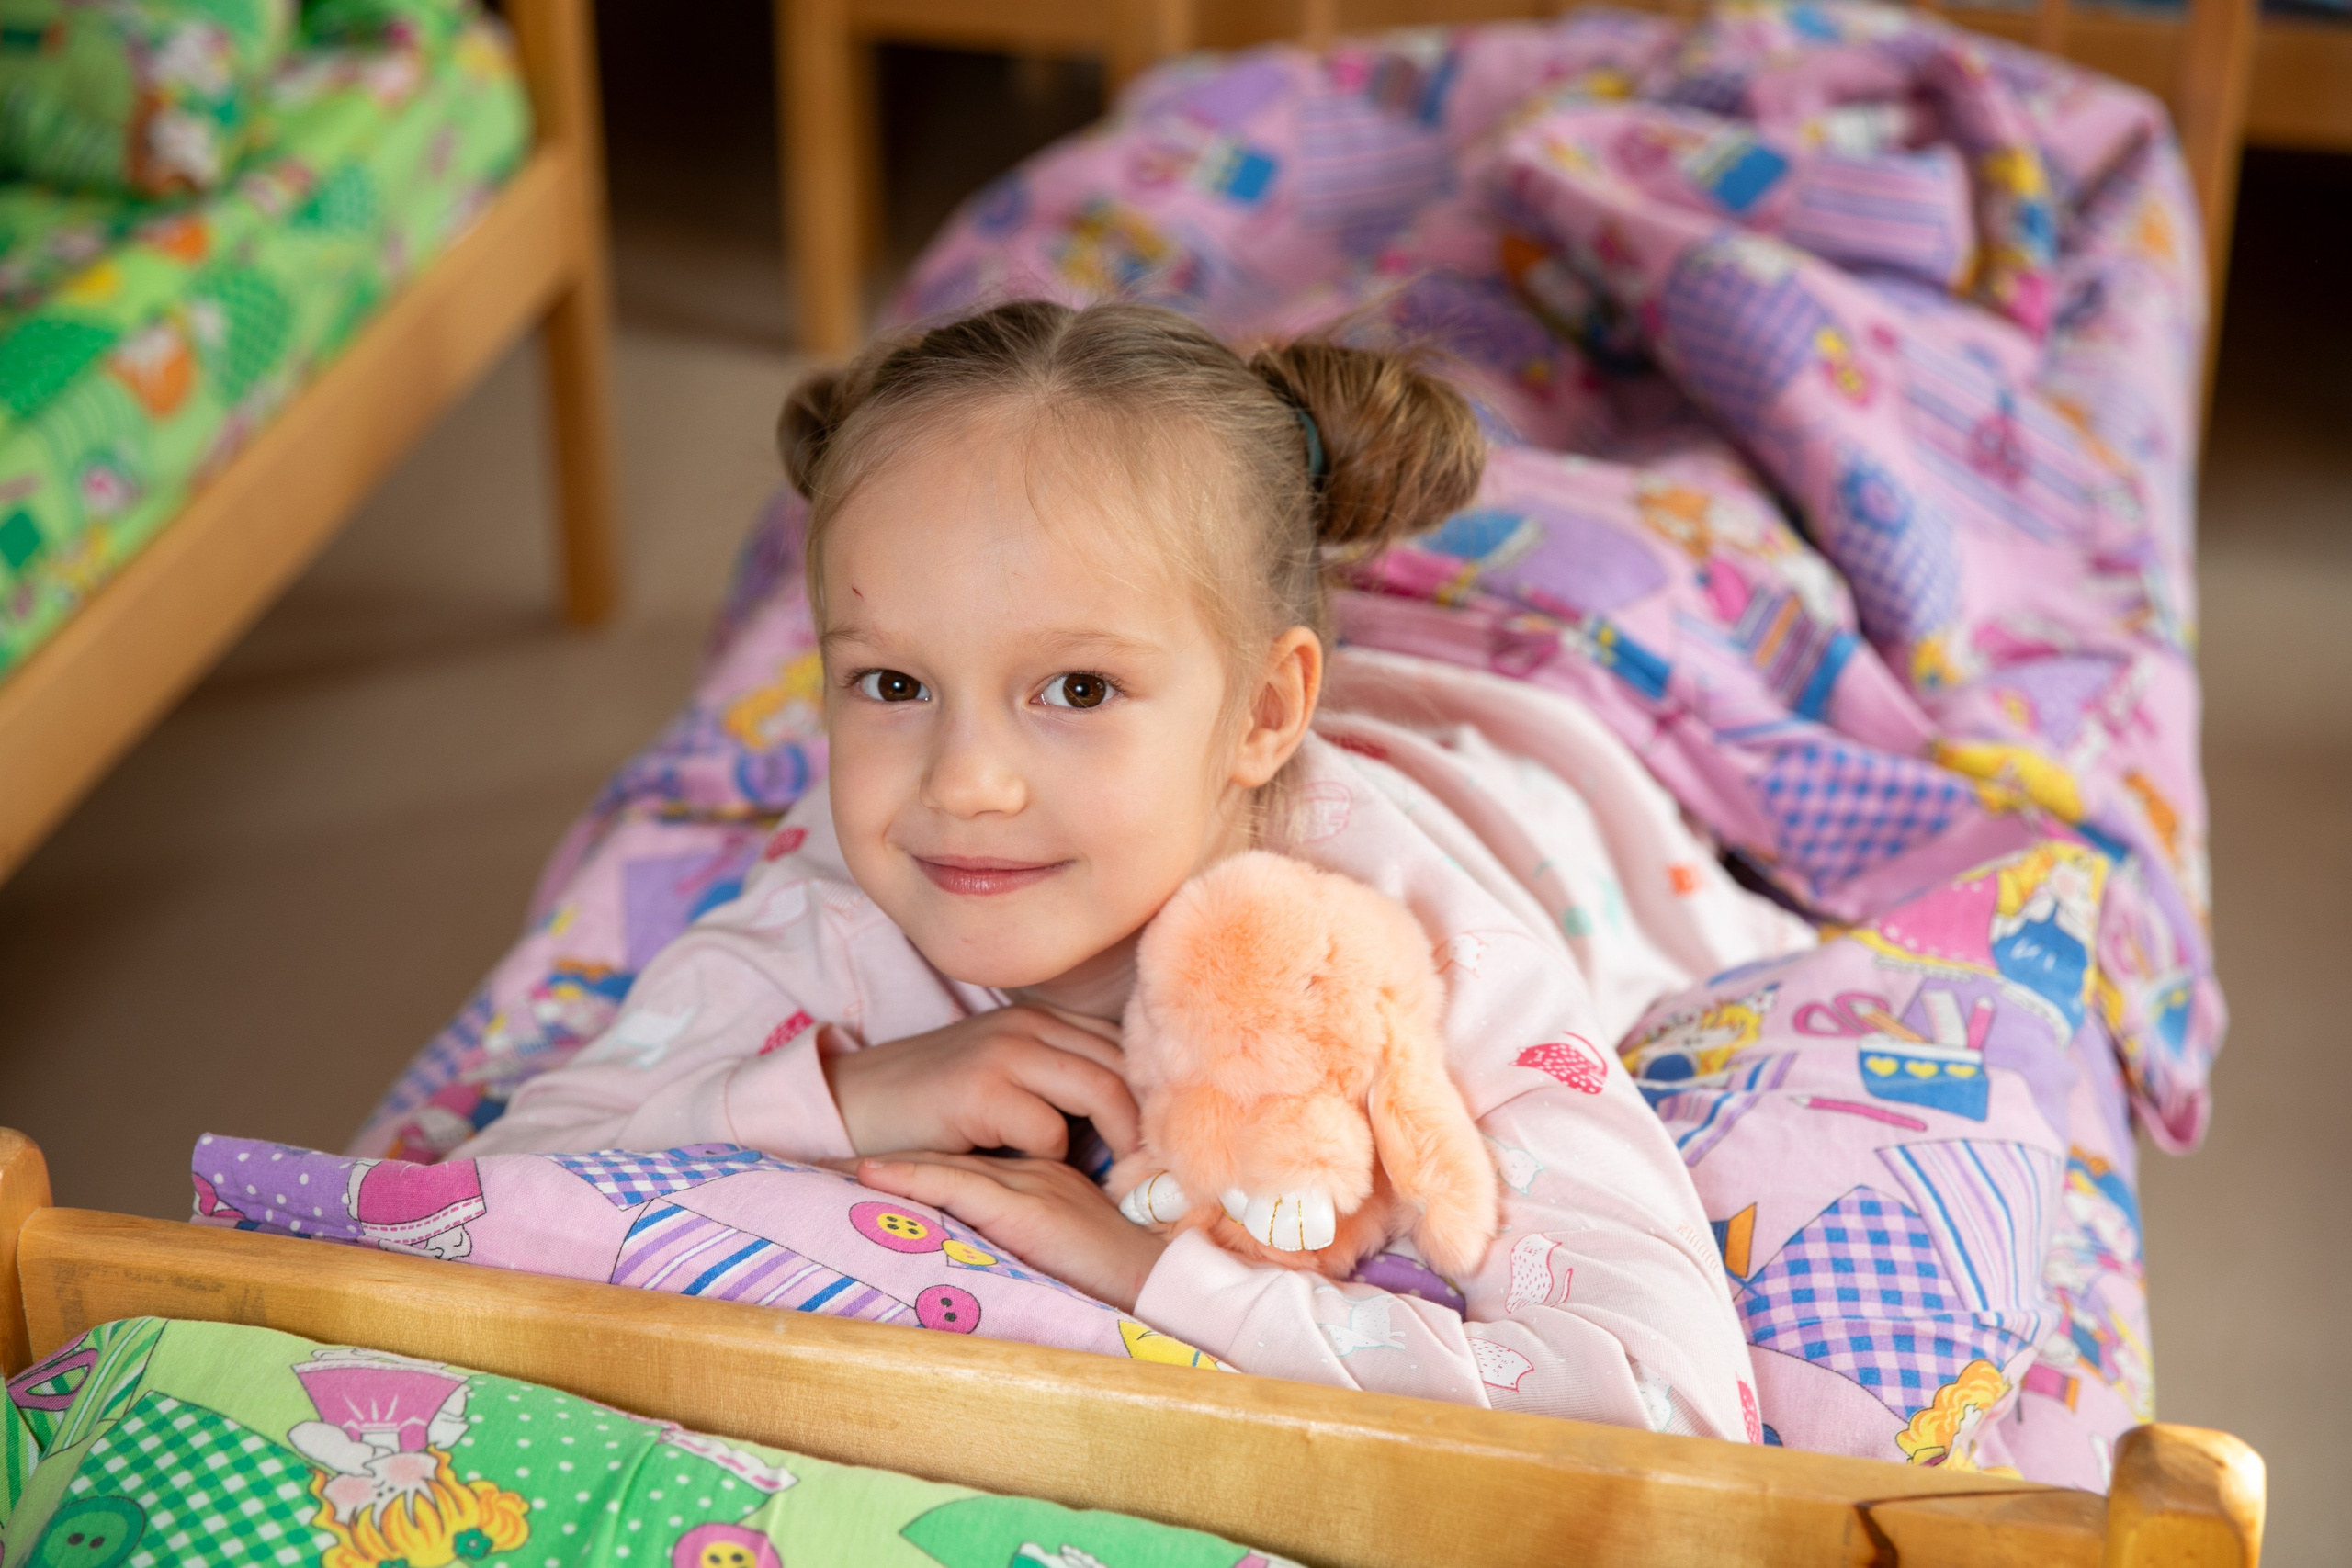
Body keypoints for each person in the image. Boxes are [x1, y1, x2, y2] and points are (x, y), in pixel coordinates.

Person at [459, 300, 1812, 1438]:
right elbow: (504, 1178)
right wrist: (849, 1093)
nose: (963, 783)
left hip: (1547, 779)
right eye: (890, 681)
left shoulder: (1422, 956)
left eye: (1079, 687)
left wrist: (1155, 1276)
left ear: (1269, 714)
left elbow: (1670, 1403)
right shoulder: (840, 896)